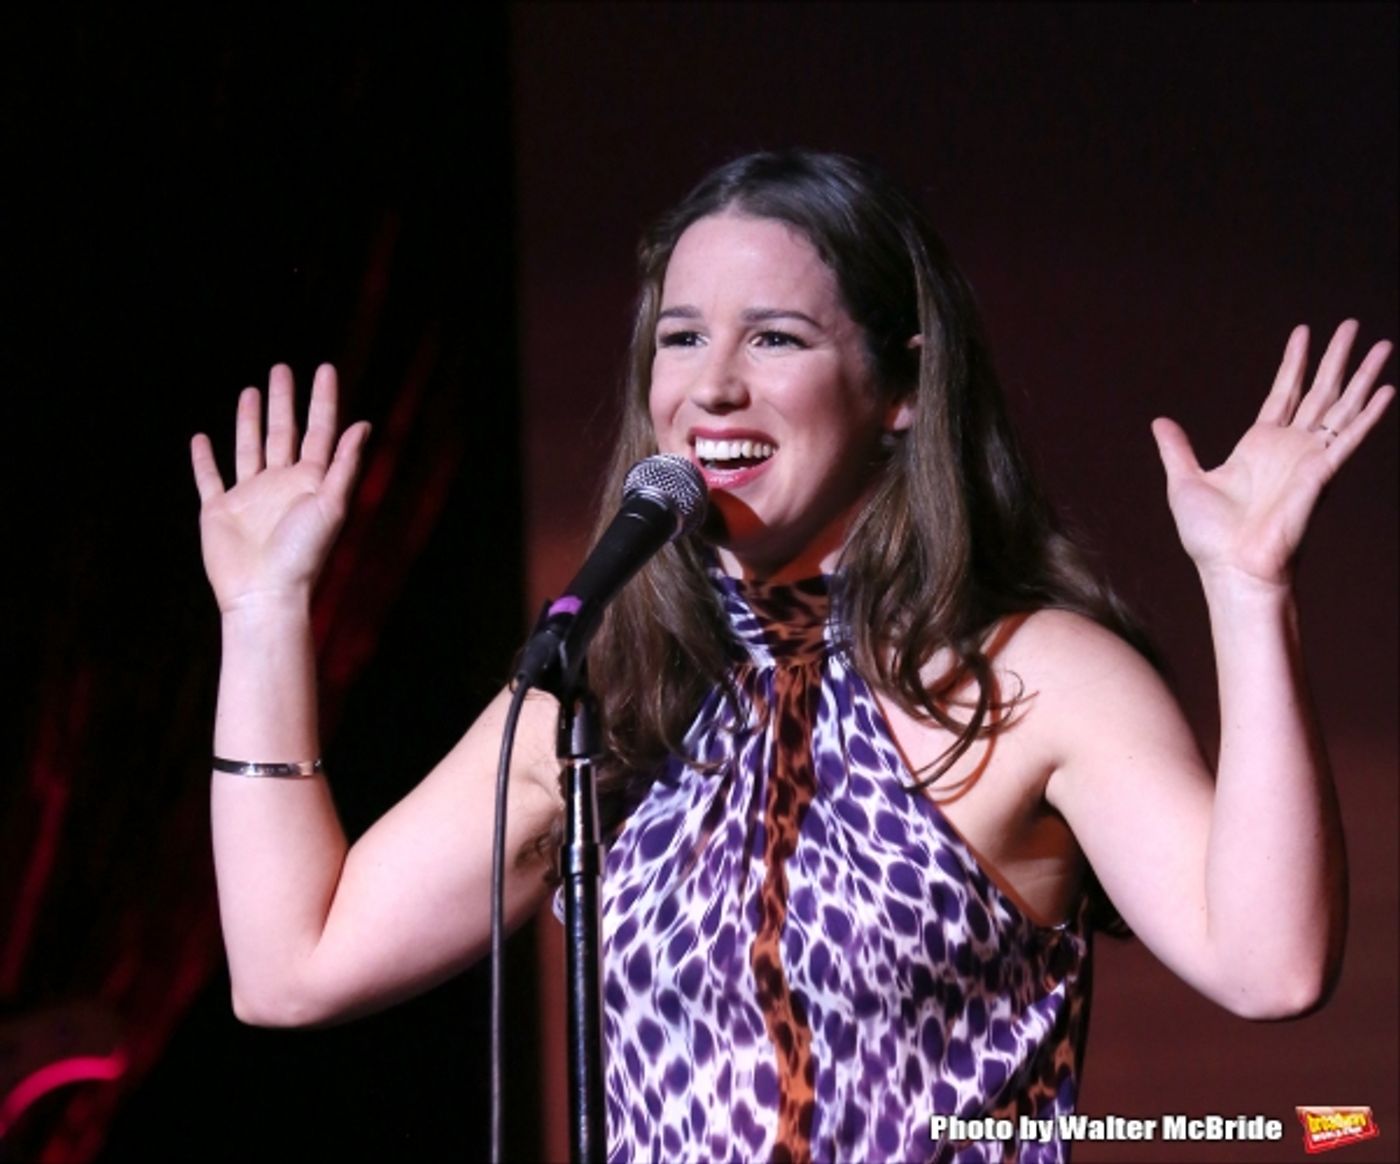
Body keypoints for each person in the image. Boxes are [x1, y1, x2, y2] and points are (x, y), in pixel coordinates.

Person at [190, 150, 1393, 1163]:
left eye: (773, 337)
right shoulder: (608, 693)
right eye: (679, 337)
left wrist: (1247, 593)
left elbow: (1269, 965)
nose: (711, 385)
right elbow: (291, 965)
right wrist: (261, 616)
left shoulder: (1032, 677)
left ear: (898, 387)